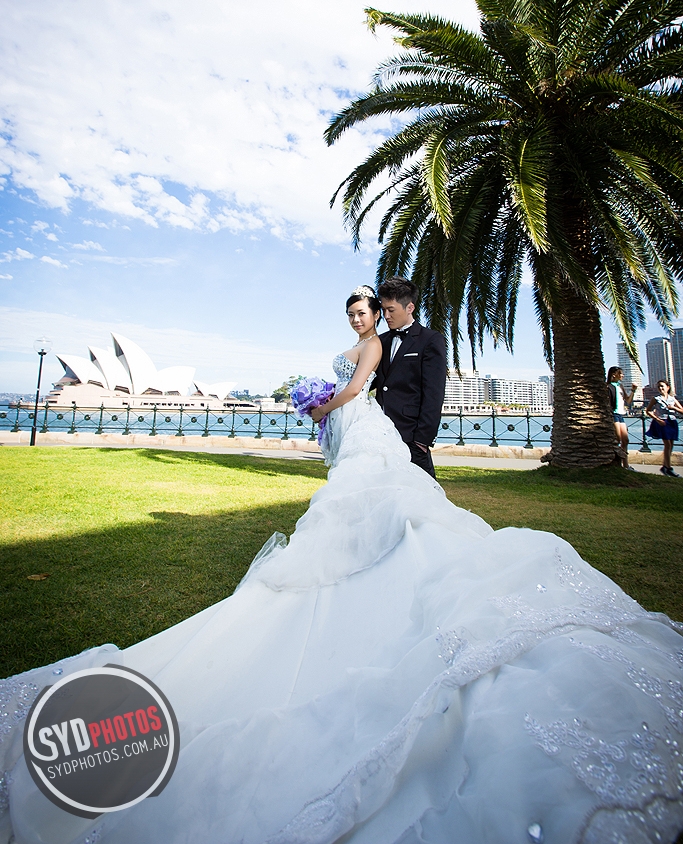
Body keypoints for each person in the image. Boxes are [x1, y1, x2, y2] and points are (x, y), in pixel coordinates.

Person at [2, 287, 683, 844]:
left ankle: (381, 556)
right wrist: (324, 407)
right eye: (357, 312)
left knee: (390, 506)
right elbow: (361, 384)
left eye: (369, 310)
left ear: (384, 312)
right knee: (368, 506)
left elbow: (361, 387)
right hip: (361, 431)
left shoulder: (389, 343)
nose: (363, 318)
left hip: (377, 430)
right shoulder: (373, 339)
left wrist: (324, 404)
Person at [370, 277, 447, 479]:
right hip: (380, 434)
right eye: (383, 310)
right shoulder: (380, 341)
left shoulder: (430, 340)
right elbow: (368, 381)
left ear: (410, 307)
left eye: (391, 310)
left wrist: (422, 440)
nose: (386, 316)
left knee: (423, 494)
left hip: (411, 438)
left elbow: (434, 393)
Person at [646, 378, 683, 476]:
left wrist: (674, 408)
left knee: (671, 444)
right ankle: (669, 468)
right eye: (658, 386)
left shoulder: (672, 399)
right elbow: (648, 410)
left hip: (672, 421)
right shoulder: (656, 399)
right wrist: (657, 419)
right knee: (667, 445)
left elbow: (682, 410)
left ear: (668, 387)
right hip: (662, 422)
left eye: (662, 386)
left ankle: (665, 466)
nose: (660, 388)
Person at [606, 366, 636, 469]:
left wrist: (633, 391)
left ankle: (626, 465)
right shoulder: (608, 387)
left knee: (625, 440)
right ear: (614, 375)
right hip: (613, 414)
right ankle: (615, 462)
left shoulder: (620, 386)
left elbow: (628, 400)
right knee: (617, 439)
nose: (622, 375)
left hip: (620, 414)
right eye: (621, 373)